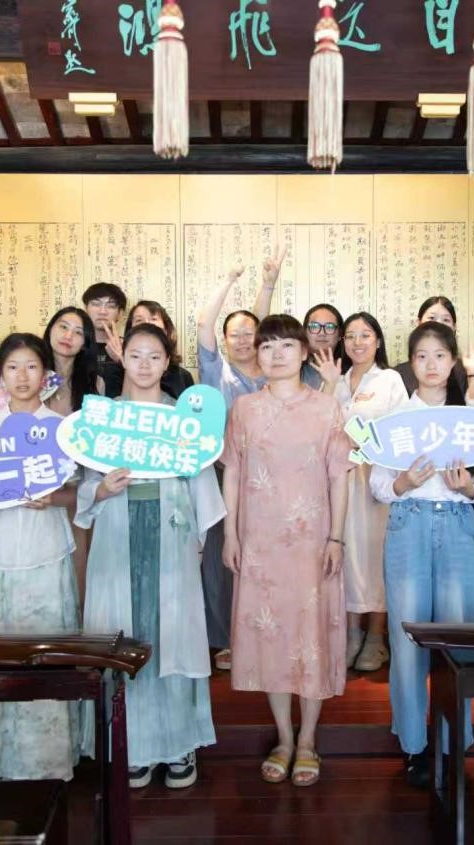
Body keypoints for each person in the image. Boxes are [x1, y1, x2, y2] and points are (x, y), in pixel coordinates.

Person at [76, 323, 223, 790]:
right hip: (118, 530)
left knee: (172, 635)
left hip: (171, 530)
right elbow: (85, 485)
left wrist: (198, 538)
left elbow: (202, 482)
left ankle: (179, 744)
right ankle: (132, 745)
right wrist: (101, 489)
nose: (144, 364)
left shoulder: (183, 418)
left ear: (167, 362)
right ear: (123, 358)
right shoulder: (105, 417)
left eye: (154, 356)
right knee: (122, 634)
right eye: (136, 355)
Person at [222, 314, 353, 788]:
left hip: (312, 544)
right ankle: (283, 736)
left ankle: (308, 740)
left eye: (286, 345)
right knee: (272, 639)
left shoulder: (327, 408)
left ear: (304, 353)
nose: (276, 354)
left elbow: (340, 476)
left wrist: (336, 537)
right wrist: (231, 535)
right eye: (267, 346)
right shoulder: (244, 409)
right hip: (259, 543)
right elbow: (232, 472)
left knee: (310, 636)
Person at [369, 321, 474, 789]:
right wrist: (404, 483)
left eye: (440, 355)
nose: (431, 364)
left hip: (458, 525)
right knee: (407, 639)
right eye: (421, 356)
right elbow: (379, 486)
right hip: (409, 524)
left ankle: (452, 739)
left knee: (458, 636)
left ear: (453, 361)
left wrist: (469, 488)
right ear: (411, 363)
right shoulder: (398, 419)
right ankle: (414, 746)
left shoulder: (473, 417)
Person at [0, 333, 84, 783]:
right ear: (0, 375)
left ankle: (47, 760)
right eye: (13, 366)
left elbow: (78, 493)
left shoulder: (61, 427)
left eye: (32, 366)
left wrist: (54, 498)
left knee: (45, 648)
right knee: (0, 651)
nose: (22, 376)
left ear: (46, 374)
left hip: (46, 549)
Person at [196, 253, 282, 672]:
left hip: (273, 480)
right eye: (235, 334)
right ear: (226, 341)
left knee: (270, 559)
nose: (244, 340)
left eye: (250, 333)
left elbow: (265, 328)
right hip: (224, 477)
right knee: (223, 562)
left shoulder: (277, 373)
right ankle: (228, 640)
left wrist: (268, 285)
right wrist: (229, 279)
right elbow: (203, 325)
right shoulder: (217, 374)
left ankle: (267, 636)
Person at [310, 312, 407, 673]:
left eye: (365, 335)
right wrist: (329, 384)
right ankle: (352, 634)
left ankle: (376, 637)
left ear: (378, 340)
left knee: (376, 556)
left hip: (377, 481)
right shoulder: (336, 378)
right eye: (350, 336)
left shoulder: (390, 380)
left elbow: (400, 431)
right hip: (338, 482)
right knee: (346, 555)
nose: (357, 342)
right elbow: (316, 425)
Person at [42, 306, 105, 603]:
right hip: (32, 488)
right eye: (63, 326)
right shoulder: (30, 373)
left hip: (73, 491)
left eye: (78, 332)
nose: (68, 336)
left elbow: (95, 444)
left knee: (75, 576)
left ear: (85, 342)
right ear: (50, 330)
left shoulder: (94, 384)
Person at [250, 251, 343, 391]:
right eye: (314, 326)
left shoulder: (351, 369)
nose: (322, 333)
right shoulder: (291, 367)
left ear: (340, 333)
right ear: (304, 332)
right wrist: (268, 285)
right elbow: (260, 330)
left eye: (329, 327)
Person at [105, 299, 195, 399]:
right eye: (139, 320)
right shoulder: (113, 372)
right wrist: (124, 362)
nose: (147, 323)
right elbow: (120, 405)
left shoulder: (183, 376)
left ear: (166, 329)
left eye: (153, 319)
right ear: (130, 331)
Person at [392, 296, 469, 396]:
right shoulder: (398, 374)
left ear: (454, 327)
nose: (438, 324)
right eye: (432, 318)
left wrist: (473, 373)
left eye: (446, 320)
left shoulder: (465, 370)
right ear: (418, 323)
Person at [82, 282, 128, 394]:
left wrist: (121, 360)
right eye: (96, 304)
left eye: (111, 306)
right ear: (86, 309)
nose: (102, 311)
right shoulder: (75, 345)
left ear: (120, 313)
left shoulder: (130, 347)